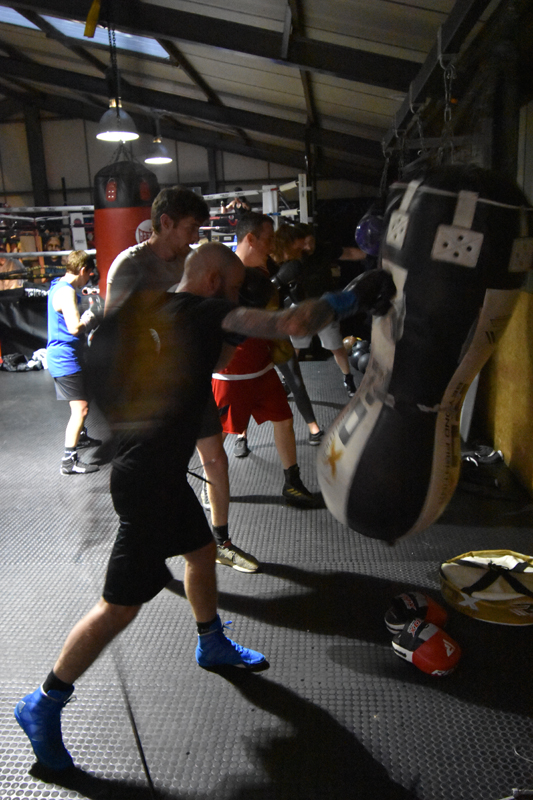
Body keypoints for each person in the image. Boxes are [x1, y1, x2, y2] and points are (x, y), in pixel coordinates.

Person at [14, 242, 394, 773]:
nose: (236, 296)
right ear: (215, 281)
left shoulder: (164, 312)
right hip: (148, 481)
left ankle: (211, 641)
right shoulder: (206, 307)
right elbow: (295, 322)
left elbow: (205, 362)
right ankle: (44, 702)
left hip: (154, 472)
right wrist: (350, 295)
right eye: (235, 287)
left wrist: (231, 333)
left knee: (199, 550)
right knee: (118, 607)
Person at [105, 186, 259, 574]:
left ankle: (220, 540)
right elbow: (111, 336)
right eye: (191, 227)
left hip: (192, 379)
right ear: (166, 222)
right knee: (153, 471)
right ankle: (149, 544)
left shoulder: (193, 262)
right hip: (150, 391)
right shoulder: (130, 266)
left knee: (215, 459)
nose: (195, 236)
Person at [211, 213, 321, 509]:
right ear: (250, 239)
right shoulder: (225, 272)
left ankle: (293, 483)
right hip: (232, 370)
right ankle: (208, 487)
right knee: (216, 434)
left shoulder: (265, 268)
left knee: (284, 419)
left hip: (262, 365)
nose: (272, 245)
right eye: (268, 239)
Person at [272, 223, 359, 398]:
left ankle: (348, 378)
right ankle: (287, 380)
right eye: (303, 243)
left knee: (336, 346)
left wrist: (372, 254)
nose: (308, 247)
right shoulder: (294, 256)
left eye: (310, 242)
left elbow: (348, 253)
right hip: (301, 306)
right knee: (294, 347)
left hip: (323, 306)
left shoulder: (323, 249)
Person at [46, 250, 101, 475]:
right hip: (65, 357)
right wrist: (91, 315)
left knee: (84, 399)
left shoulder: (57, 284)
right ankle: (68, 461)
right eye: (88, 275)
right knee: (81, 408)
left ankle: (82, 436)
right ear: (82, 271)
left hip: (71, 355)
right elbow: (74, 328)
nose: (87, 280)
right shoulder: (67, 292)